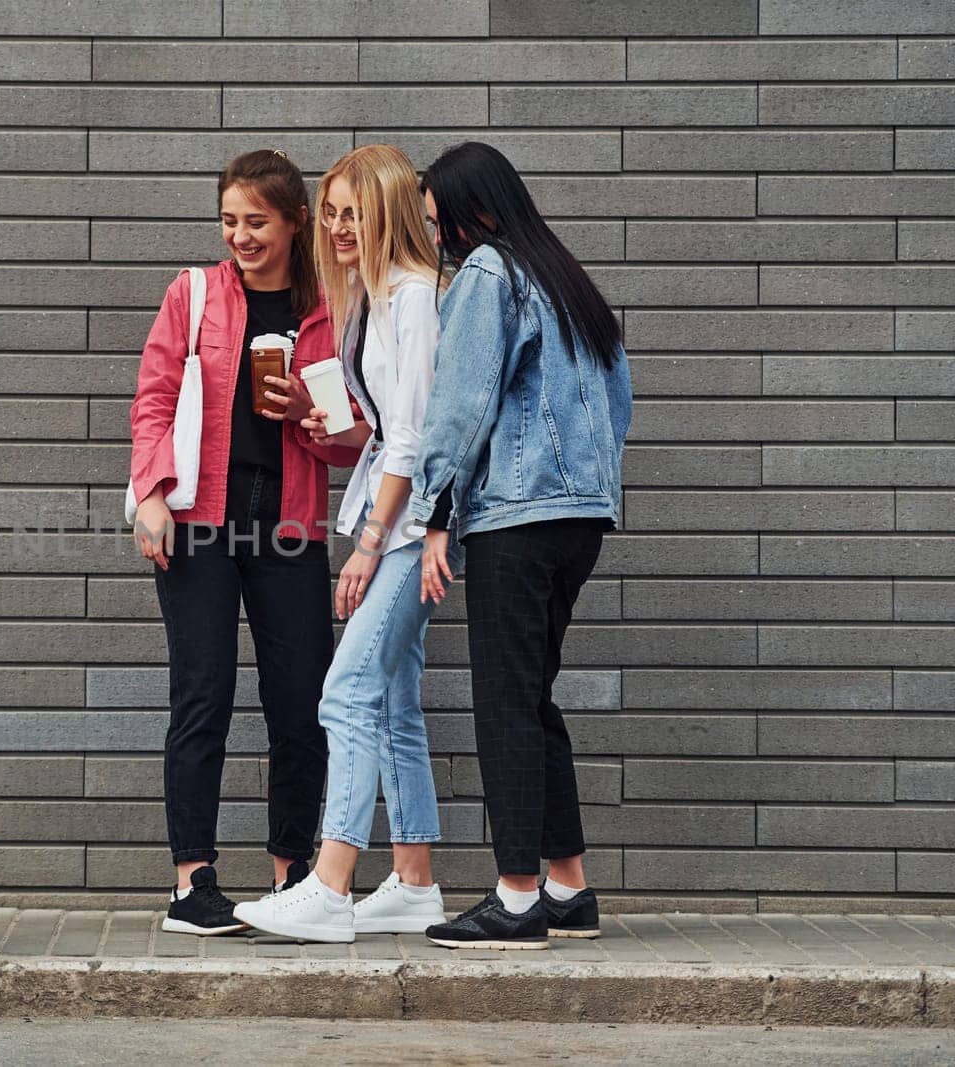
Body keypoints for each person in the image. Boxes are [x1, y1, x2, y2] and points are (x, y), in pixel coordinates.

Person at [129, 149, 363, 935]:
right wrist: (152, 497)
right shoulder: (193, 295)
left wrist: (306, 409)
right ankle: (192, 884)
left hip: (289, 528)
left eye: (257, 221)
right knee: (204, 697)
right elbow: (154, 401)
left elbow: (353, 440)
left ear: (297, 222)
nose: (241, 235)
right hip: (198, 523)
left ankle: (294, 873)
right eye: (229, 221)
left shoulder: (330, 310)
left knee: (302, 704)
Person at [409, 142, 632, 950]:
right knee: (534, 698)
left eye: (443, 224)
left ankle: (515, 896)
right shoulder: (565, 278)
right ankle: (568, 888)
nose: (442, 242)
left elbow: (461, 404)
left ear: (479, 210)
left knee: (505, 703)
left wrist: (437, 510)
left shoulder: (489, 274)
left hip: (516, 516)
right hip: (580, 520)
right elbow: (619, 401)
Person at [234, 144, 452, 943]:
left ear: (388, 210)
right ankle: (416, 881)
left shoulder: (416, 297)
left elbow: (419, 439)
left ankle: (329, 885)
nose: (335, 227)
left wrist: (366, 543)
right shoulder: (371, 296)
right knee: (391, 700)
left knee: (346, 691)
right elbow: (387, 426)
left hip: (396, 531)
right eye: (329, 213)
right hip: (386, 516)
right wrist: (340, 422)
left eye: (350, 213)